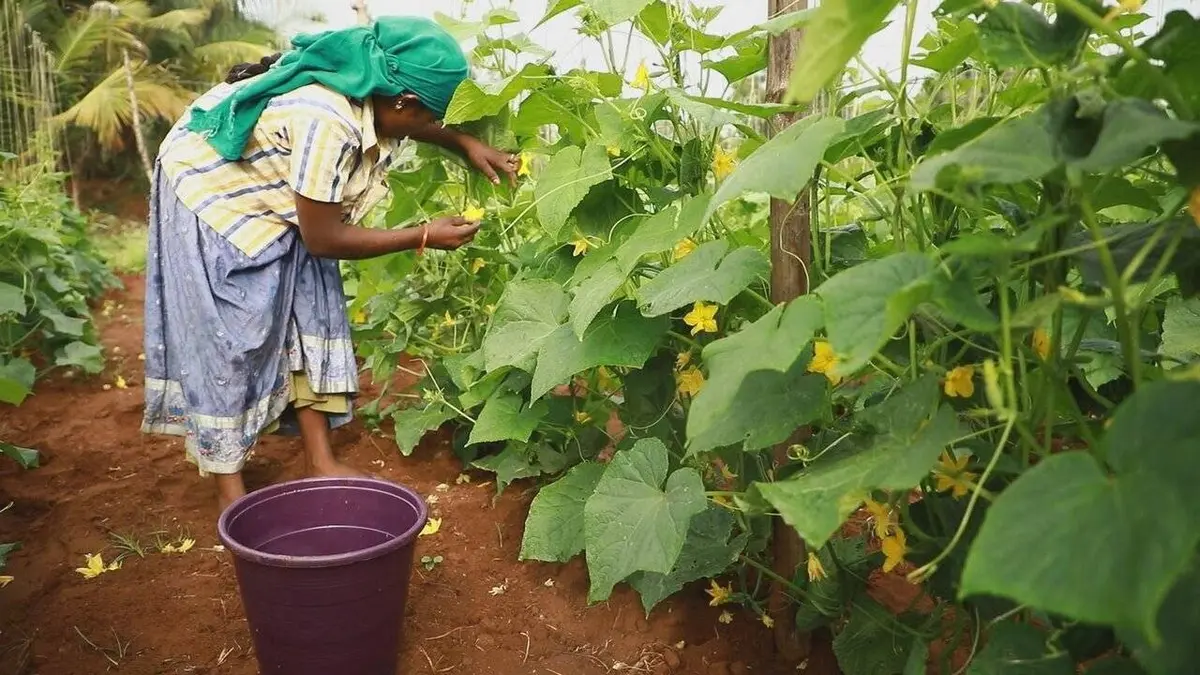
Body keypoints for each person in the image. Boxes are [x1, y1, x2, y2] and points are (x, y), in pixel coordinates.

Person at [141, 16, 517, 511]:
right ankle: (230, 489)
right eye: (429, 117)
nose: (428, 127)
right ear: (402, 102)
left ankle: (320, 460)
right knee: (234, 335)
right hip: (211, 189)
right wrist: (423, 235)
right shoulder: (326, 121)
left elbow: (409, 118)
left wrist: (465, 142)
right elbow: (323, 238)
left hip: (286, 189)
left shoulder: (371, 86)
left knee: (310, 309)